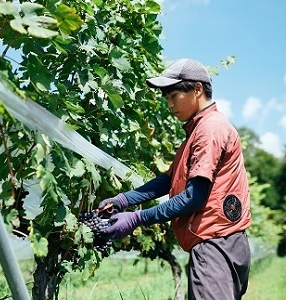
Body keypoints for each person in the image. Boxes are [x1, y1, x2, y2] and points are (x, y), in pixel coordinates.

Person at [98, 58, 252, 299]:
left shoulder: (209, 129)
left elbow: (193, 197)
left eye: (174, 96)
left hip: (215, 244)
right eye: (166, 98)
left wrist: (136, 218)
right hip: (221, 241)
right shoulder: (197, 130)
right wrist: (123, 200)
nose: (169, 105)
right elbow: (168, 181)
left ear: (197, 89)